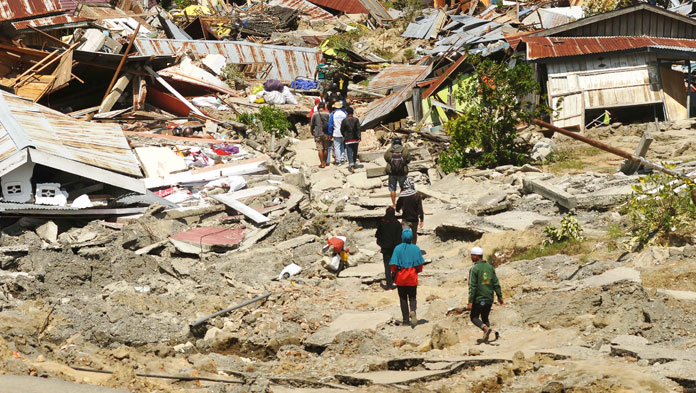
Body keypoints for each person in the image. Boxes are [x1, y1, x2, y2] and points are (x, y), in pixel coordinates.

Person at [467, 247, 503, 343]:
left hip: (479, 298)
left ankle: (485, 329)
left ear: (475, 256)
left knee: (474, 317)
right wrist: (499, 296)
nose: (471, 257)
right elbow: (495, 283)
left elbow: (472, 286)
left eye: (471, 255)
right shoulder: (490, 268)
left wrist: (470, 301)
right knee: (485, 317)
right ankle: (486, 338)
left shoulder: (474, 269)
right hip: (489, 298)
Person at [390, 228, 424, 328]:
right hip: (412, 276)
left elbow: (393, 265)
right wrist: (416, 271)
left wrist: (394, 273)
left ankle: (405, 320)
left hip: (401, 277)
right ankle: (413, 310)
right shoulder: (416, 248)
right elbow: (420, 264)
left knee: (403, 298)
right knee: (412, 297)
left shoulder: (397, 248)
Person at [376, 207, 402, 290]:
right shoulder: (397, 223)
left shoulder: (382, 222)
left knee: (387, 267)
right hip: (395, 248)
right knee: (396, 265)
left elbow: (378, 235)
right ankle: (397, 281)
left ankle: (389, 285)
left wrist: (381, 243)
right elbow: (400, 236)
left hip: (385, 247)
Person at [395, 177, 424, 245]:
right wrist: (421, 219)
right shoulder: (417, 195)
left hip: (405, 219)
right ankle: (413, 247)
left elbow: (398, 205)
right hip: (414, 219)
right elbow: (420, 208)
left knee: (405, 235)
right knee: (414, 234)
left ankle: (405, 248)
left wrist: (397, 210)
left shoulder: (402, 195)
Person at [384, 137, 410, 208]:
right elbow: (408, 160)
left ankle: (394, 205)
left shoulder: (389, 150)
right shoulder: (404, 150)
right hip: (402, 172)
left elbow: (386, 158)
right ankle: (400, 203)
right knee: (403, 188)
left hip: (392, 172)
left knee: (392, 189)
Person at [311, 102, 331, 168]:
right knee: (326, 148)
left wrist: (312, 131)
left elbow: (312, 124)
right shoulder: (328, 114)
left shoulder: (314, 114)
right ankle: (325, 162)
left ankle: (322, 163)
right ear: (324, 107)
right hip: (326, 133)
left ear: (318, 107)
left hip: (317, 133)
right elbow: (330, 124)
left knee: (320, 149)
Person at [341, 107, 361, 173]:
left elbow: (342, 130)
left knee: (349, 153)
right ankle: (354, 162)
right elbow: (358, 129)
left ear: (347, 113)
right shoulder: (356, 120)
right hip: (355, 139)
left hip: (348, 139)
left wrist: (345, 135)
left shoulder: (344, 120)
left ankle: (351, 165)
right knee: (355, 152)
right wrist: (359, 137)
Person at [328, 101, 347, 165]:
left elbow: (330, 125)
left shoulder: (333, 114)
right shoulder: (344, 113)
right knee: (342, 145)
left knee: (337, 147)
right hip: (344, 132)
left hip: (336, 132)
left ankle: (338, 160)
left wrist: (330, 134)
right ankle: (342, 158)